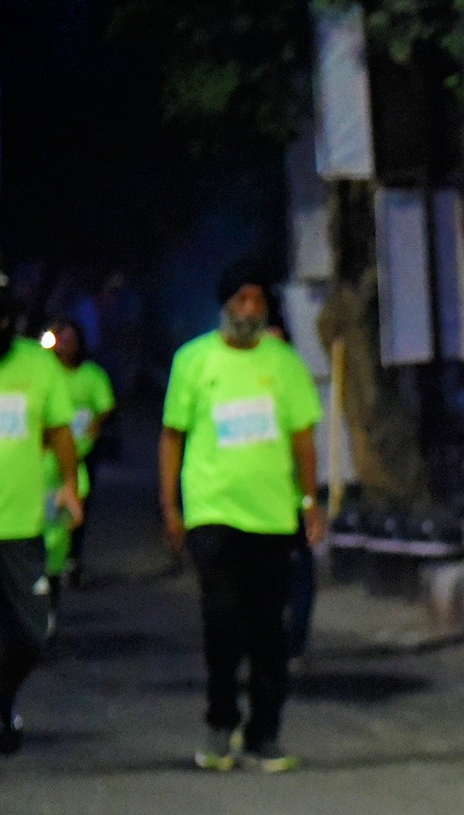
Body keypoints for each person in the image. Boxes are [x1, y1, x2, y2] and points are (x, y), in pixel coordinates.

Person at [160, 261, 325, 773]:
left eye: (258, 301)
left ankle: (263, 733)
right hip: (212, 510)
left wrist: (309, 501)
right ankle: (220, 722)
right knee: (222, 621)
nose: (250, 310)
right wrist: (171, 507)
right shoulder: (193, 361)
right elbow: (172, 436)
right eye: (241, 300)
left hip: (271, 516)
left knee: (268, 630)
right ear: (225, 304)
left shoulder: (284, 364)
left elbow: (303, 440)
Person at [0, 268, 80, 778]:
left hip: (22, 526)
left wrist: (70, 485)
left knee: (33, 634)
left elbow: (60, 432)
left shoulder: (38, 367)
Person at [40, 318, 114, 590]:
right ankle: (46, 562)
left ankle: (71, 560)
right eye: (62, 340)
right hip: (48, 454)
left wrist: (94, 426)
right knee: (49, 507)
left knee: (78, 505)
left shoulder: (92, 375)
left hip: (82, 451)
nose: (66, 346)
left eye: (72, 340)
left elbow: (105, 405)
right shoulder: (46, 372)